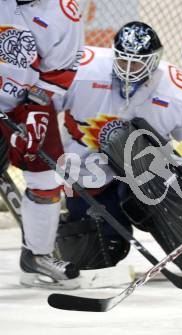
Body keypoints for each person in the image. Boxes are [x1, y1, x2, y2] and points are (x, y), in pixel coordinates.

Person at [54, 21, 182, 279]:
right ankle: (63, 228)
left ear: (154, 60)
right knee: (100, 254)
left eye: (137, 63)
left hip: (150, 179)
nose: (128, 69)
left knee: (131, 144)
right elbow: (38, 105)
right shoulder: (81, 70)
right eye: (123, 61)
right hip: (88, 179)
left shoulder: (180, 95)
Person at [0, 0, 83, 289]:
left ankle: (37, 256)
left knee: (47, 176)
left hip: (27, 100)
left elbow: (61, 70)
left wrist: (37, 107)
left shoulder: (64, 11)